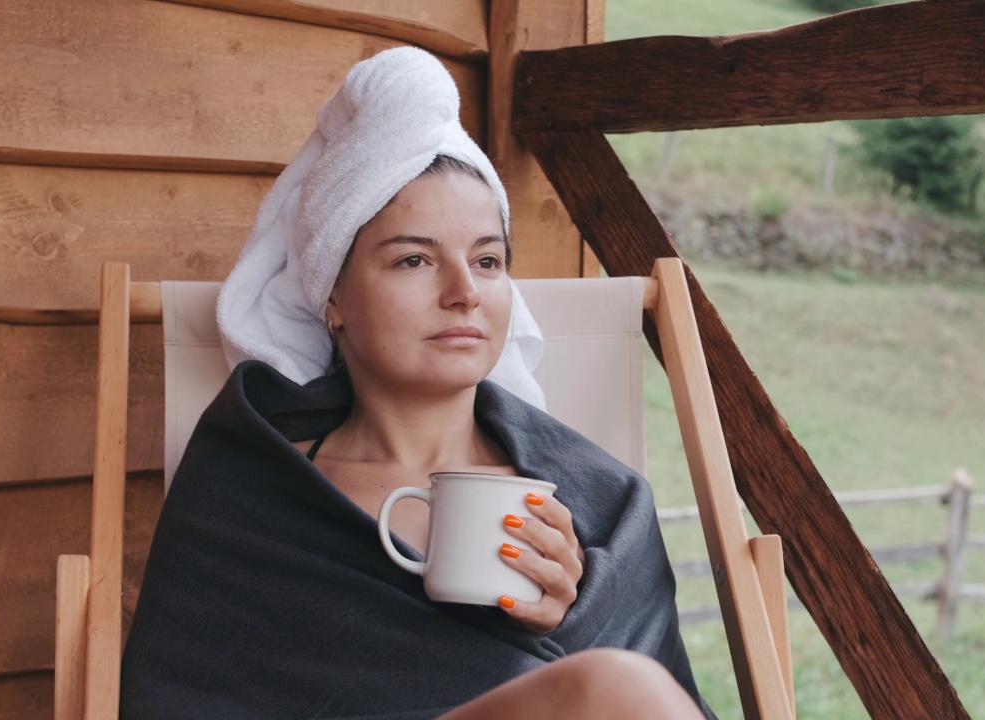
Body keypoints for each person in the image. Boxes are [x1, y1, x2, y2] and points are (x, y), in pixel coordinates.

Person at [120, 47, 713, 720]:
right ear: (332, 296)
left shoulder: (602, 505)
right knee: (613, 690)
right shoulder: (250, 495)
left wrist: (561, 628)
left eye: (488, 260)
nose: (465, 293)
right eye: (413, 259)